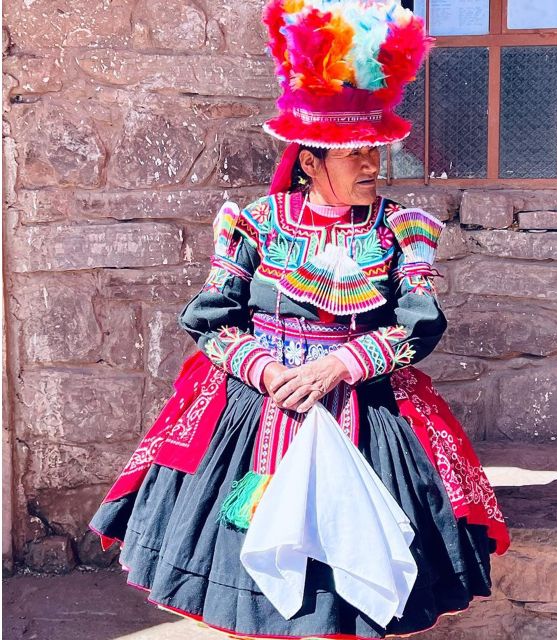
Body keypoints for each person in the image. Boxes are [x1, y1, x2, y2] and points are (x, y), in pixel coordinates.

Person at [88, 0, 511, 637]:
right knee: (246, 566)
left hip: (363, 404)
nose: (372, 167)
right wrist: (264, 371)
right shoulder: (253, 224)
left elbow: (419, 325)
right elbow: (210, 321)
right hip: (257, 404)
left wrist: (340, 363)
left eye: (376, 154)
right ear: (311, 161)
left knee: (358, 575)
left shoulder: (404, 230)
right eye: (355, 157)